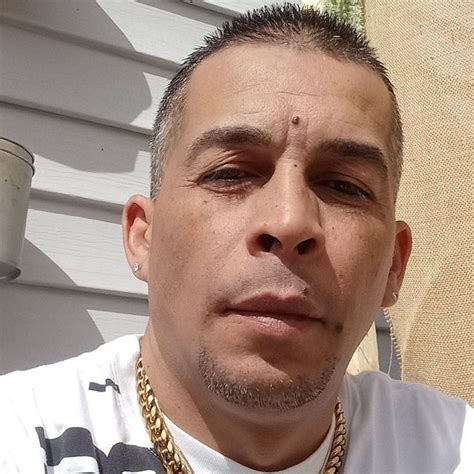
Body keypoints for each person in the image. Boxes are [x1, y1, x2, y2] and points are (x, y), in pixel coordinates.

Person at [0, 4, 471, 473]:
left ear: (394, 266)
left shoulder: (451, 449)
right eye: (230, 174)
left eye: (344, 185)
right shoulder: (23, 440)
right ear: (143, 237)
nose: (289, 222)